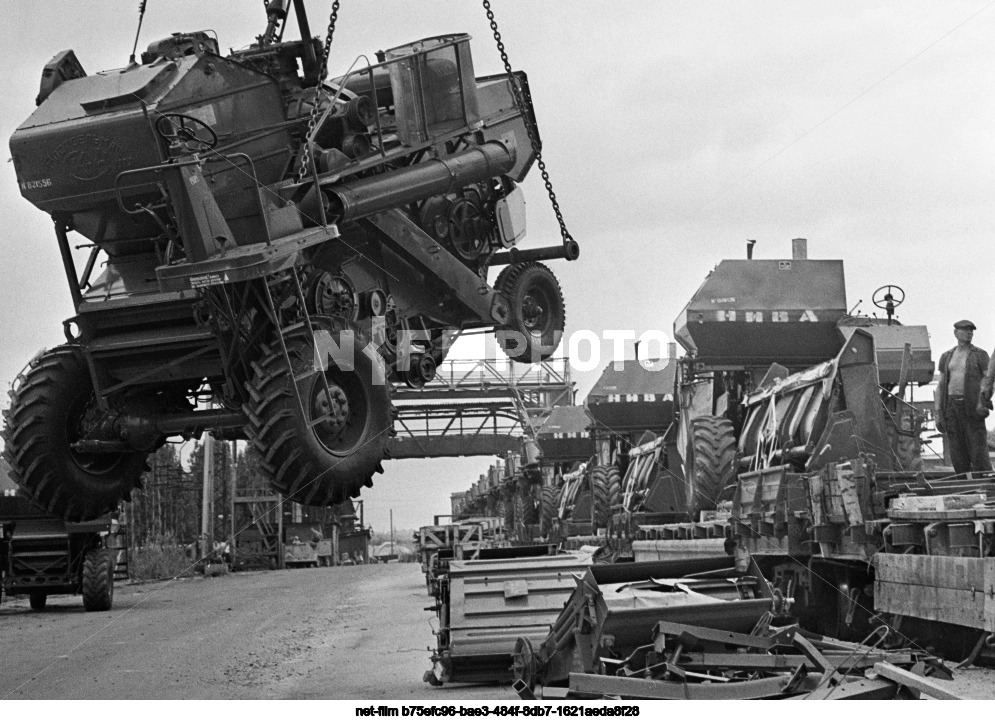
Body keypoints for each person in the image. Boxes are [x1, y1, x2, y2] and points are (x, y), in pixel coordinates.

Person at [936, 320, 992, 474]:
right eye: (966, 330)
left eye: (971, 331)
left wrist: (983, 402)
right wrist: (938, 412)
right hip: (951, 409)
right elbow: (941, 384)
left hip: (972, 408)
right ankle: (963, 487)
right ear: (956, 333)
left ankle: (986, 486)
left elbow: (989, 380)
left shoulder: (980, 355)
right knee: (957, 453)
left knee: (978, 450)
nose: (970, 333)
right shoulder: (946, 356)